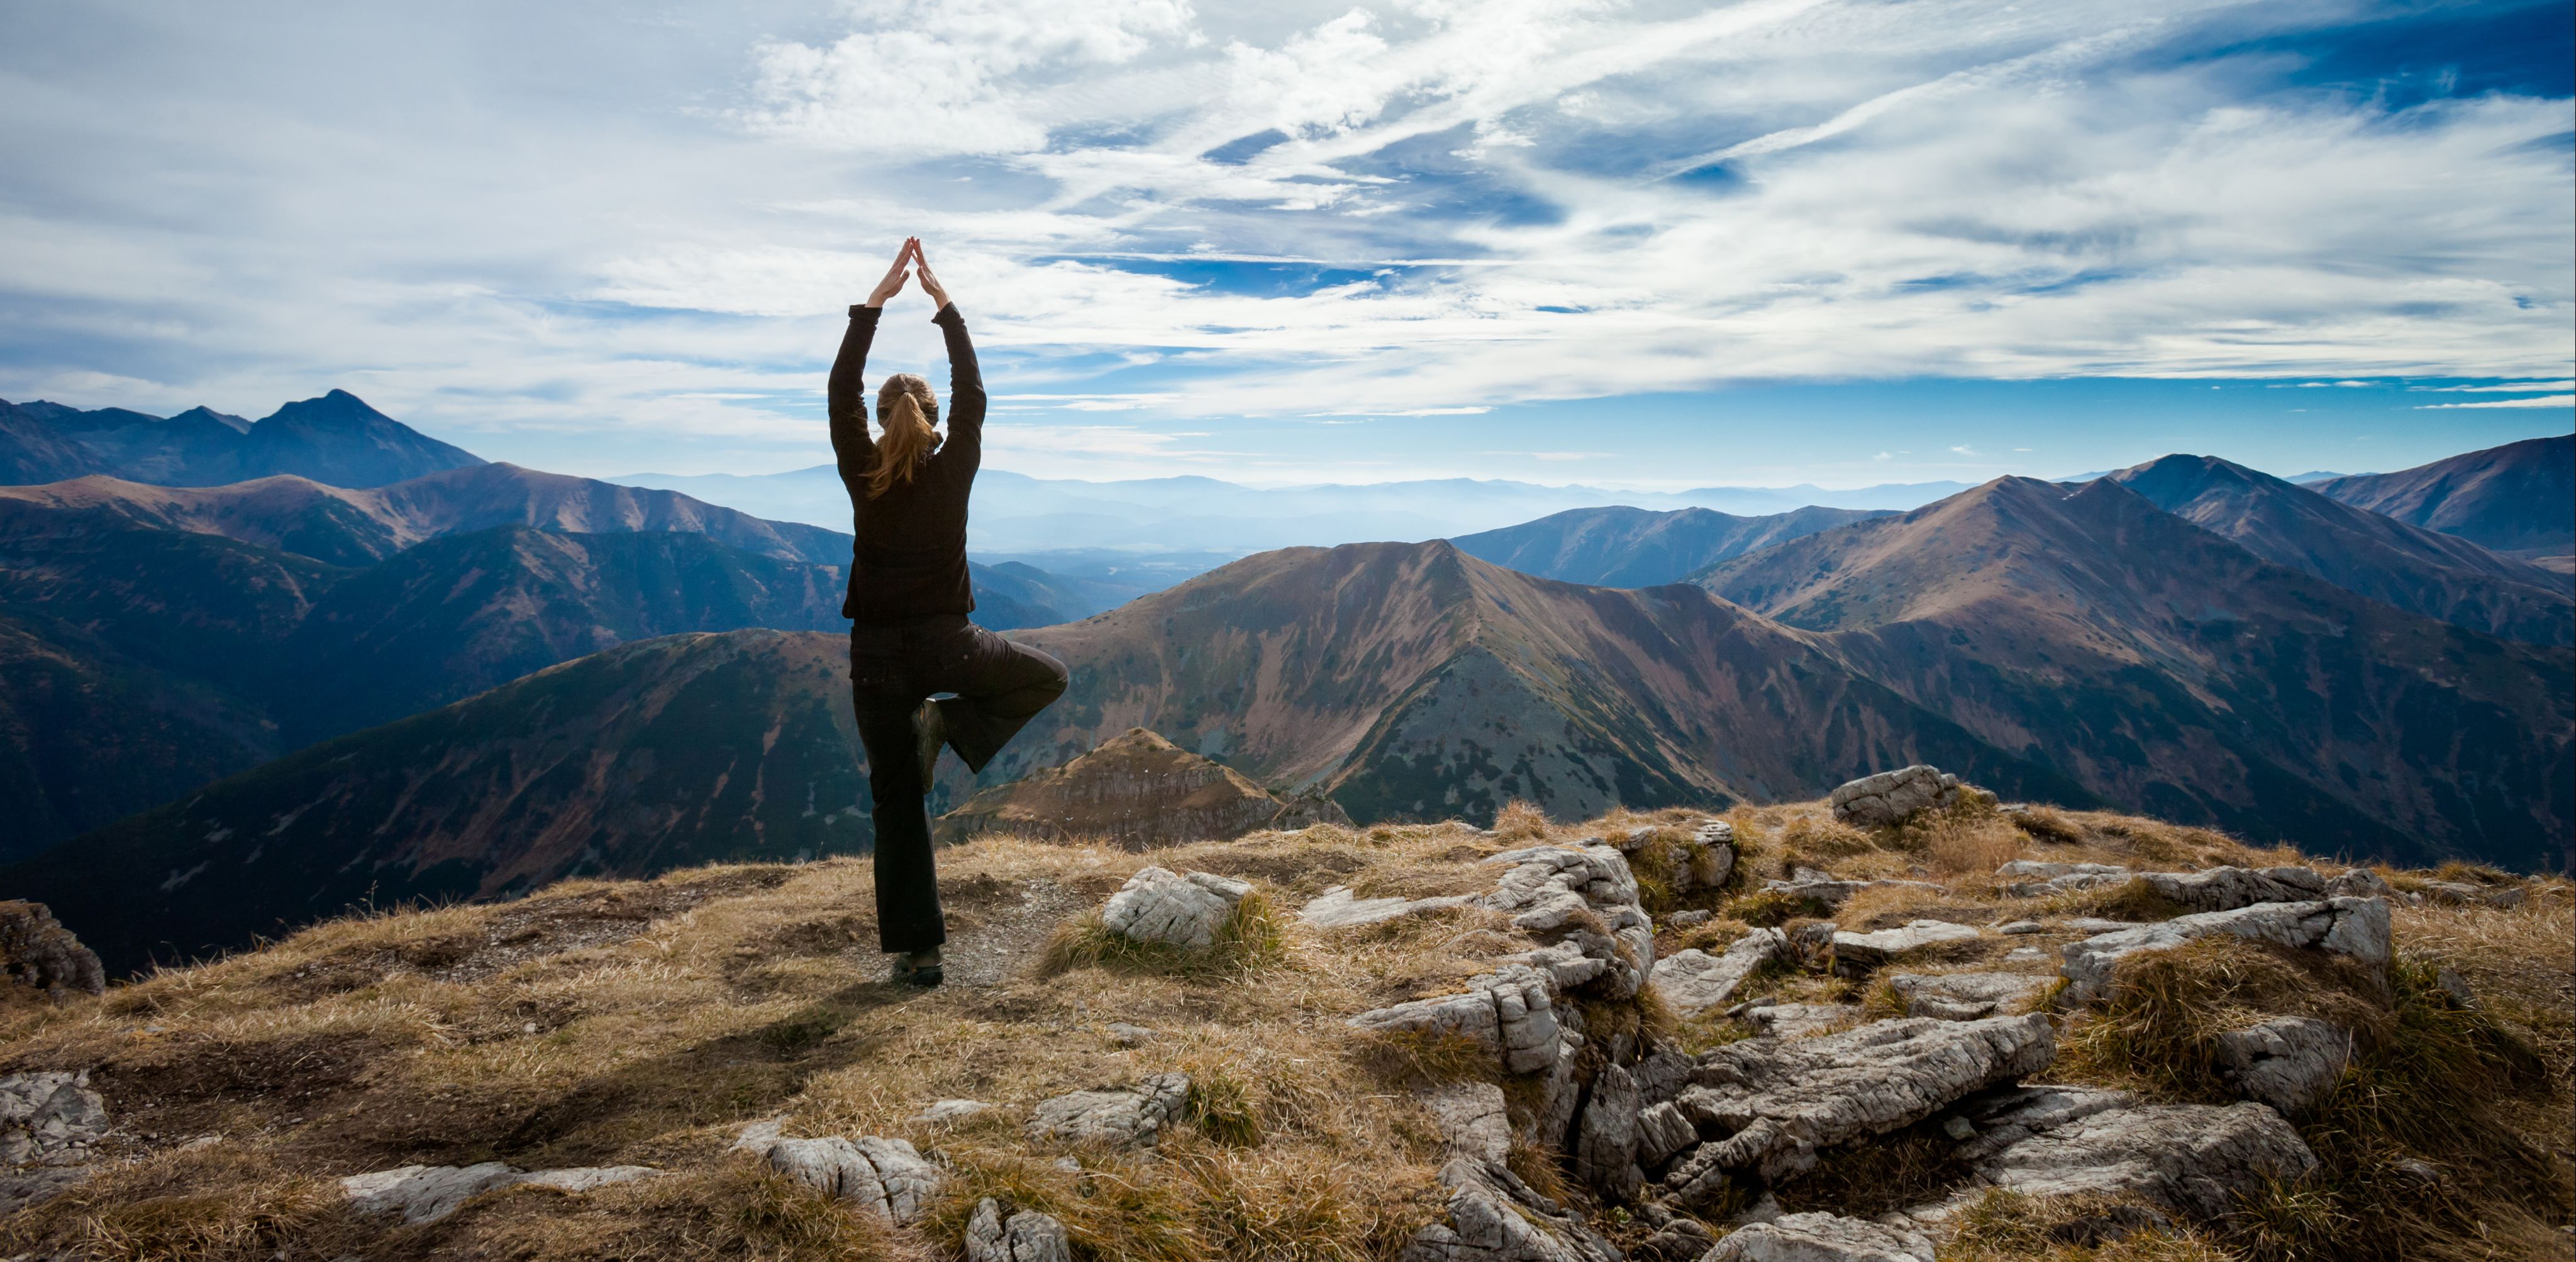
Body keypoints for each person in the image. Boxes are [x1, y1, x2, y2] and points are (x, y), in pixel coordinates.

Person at [830, 237, 1069, 988]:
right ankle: (947, 723)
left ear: (876, 419)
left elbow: (837, 388)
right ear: (935, 418)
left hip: (875, 661)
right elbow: (976, 388)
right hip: (949, 650)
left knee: (896, 801)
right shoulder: (956, 461)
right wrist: (944, 305)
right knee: (1046, 678)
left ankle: (919, 952)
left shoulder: (859, 462)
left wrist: (874, 304)